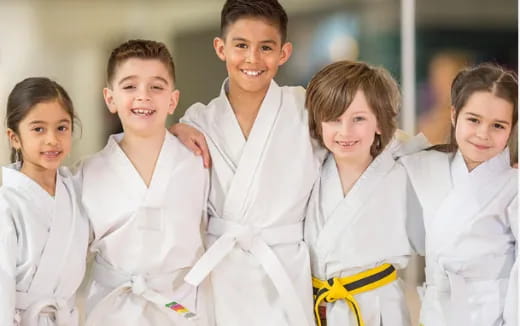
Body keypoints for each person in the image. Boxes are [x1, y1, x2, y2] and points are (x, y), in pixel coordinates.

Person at [170, 0, 325, 325]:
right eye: (241, 45)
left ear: (284, 53)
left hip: (283, 268)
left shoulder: (306, 109)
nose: (252, 59)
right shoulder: (198, 120)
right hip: (223, 274)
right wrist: (169, 134)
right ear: (220, 47)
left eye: (265, 47)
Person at [78, 39, 213, 326]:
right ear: (110, 98)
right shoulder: (86, 174)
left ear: (173, 100)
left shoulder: (198, 162)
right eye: (129, 86)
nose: (143, 96)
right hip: (112, 311)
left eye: (156, 86)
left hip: (183, 308)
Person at [400, 63, 517, 326]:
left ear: (512, 128)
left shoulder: (514, 185)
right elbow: (381, 152)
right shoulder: (424, 165)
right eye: (473, 119)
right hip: (435, 313)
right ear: (454, 115)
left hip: (493, 316)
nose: (482, 134)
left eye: (498, 125)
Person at [304, 60, 416, 326]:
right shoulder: (311, 168)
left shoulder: (406, 173)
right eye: (334, 119)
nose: (345, 132)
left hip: (377, 310)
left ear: (380, 122)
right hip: (319, 307)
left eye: (359, 119)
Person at [0, 77, 89, 325]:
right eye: (38, 129)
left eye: (62, 127)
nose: (52, 139)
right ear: (14, 137)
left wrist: (182, 131)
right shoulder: (6, 203)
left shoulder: (77, 187)